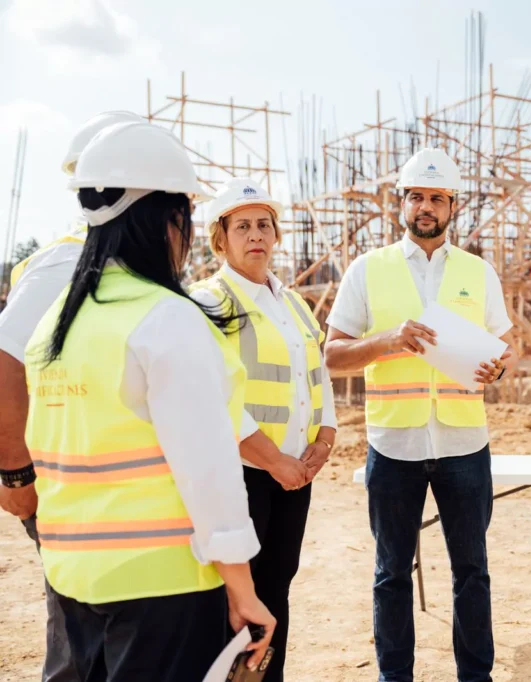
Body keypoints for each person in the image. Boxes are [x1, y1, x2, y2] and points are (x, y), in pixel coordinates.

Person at [19, 120, 276, 681]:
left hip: (73, 577)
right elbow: (208, 470)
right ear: (166, 218)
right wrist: (242, 586)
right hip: (164, 586)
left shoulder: (59, 323)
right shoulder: (166, 319)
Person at [324, 148, 517, 682]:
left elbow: (506, 347)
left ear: (453, 204)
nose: (426, 206)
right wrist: (388, 340)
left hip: (463, 446)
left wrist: (496, 369)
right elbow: (332, 354)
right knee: (391, 575)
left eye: (436, 197)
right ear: (401, 203)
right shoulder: (368, 270)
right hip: (395, 446)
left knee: (472, 574)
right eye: (416, 197)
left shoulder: (478, 272)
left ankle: (474, 676)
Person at [0, 109, 145, 682]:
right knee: (79, 645)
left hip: (119, 493)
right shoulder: (63, 263)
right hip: (68, 490)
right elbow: (4, 361)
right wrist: (14, 474)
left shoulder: (134, 268)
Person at [191, 177, 337, 682]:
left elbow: (317, 375)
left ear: (276, 235)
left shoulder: (293, 303)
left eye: (264, 225)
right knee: (235, 599)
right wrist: (275, 461)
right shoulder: (208, 302)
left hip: (295, 475)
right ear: (221, 238)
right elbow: (214, 399)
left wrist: (324, 440)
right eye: (243, 226)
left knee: (277, 590)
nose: (256, 235)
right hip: (244, 476)